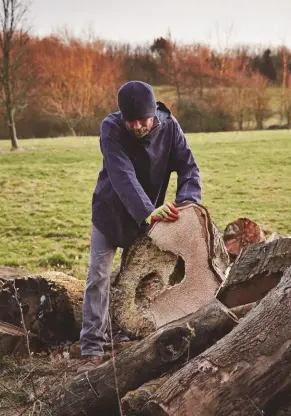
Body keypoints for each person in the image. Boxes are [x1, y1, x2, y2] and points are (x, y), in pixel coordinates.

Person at [78, 80, 201, 373]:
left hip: (150, 216)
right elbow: (122, 174)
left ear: (154, 113)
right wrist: (148, 211)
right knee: (98, 275)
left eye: (142, 120)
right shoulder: (111, 128)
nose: (136, 126)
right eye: (130, 120)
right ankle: (92, 347)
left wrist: (186, 206)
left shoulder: (170, 128)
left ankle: (123, 334)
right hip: (111, 211)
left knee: (132, 279)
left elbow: (188, 168)